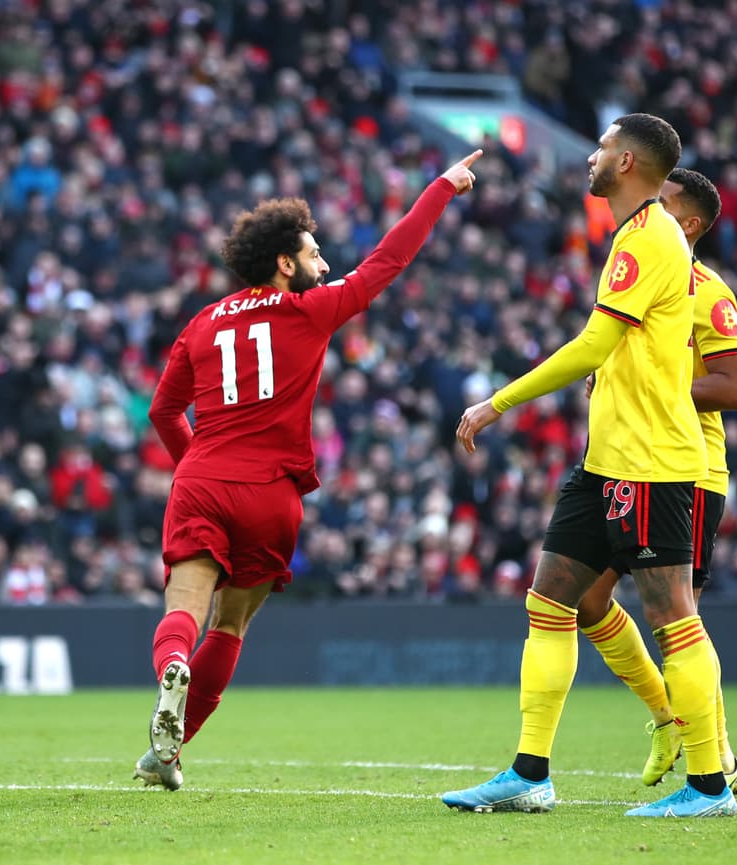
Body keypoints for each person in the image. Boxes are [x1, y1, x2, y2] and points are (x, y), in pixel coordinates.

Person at [135, 150, 482, 790]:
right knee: (231, 624)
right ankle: (171, 750)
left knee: (182, 611)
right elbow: (389, 261)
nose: (326, 265)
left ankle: (172, 668)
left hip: (203, 478)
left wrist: (199, 470)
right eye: (316, 254)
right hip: (271, 495)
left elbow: (163, 411)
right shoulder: (310, 310)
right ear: (285, 264)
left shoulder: (202, 322)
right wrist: (442, 187)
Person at [443, 115, 735, 818]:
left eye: (602, 148)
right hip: (605, 462)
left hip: (652, 463)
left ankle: (710, 784)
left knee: (673, 618)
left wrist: (498, 401)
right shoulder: (636, 235)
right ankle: (529, 772)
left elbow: (593, 343)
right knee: (549, 602)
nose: (592, 158)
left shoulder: (650, 237)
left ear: (627, 160)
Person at [576, 168, 737, 795]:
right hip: (626, 461)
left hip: (689, 471)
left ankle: (718, 764)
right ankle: (667, 717)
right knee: (586, 599)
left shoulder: (708, 291)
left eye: (665, 202)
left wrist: (654, 387)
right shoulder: (638, 268)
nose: (650, 208)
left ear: (691, 224)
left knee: (679, 622)